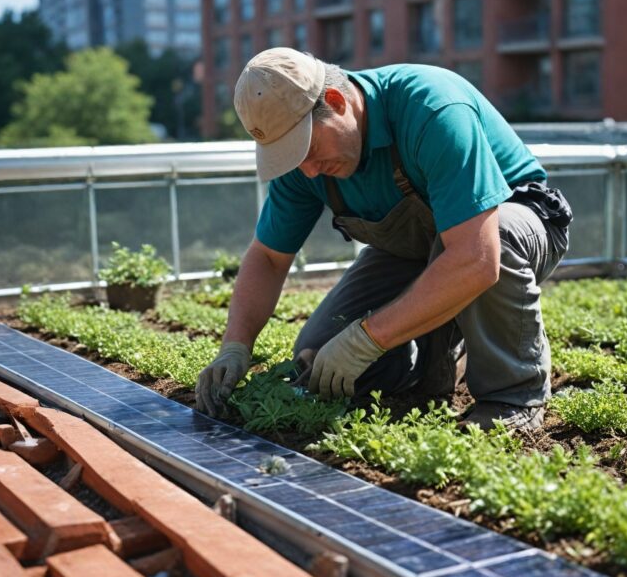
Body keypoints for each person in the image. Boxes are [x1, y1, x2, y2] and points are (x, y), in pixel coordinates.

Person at [195, 47, 571, 431]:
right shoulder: (303, 166)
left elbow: (477, 257)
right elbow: (269, 258)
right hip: (414, 248)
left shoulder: (432, 108)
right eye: (289, 156)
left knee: (494, 238)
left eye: (307, 148)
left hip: (517, 226)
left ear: (337, 102)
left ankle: (513, 396)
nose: (306, 171)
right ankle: (433, 362)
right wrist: (236, 347)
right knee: (320, 359)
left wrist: (366, 339)